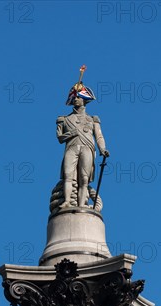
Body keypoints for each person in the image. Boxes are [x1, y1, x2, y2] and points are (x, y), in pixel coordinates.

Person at [57, 67, 110, 208]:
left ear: (85, 100)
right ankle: (67, 201)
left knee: (84, 179)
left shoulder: (93, 119)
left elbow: (99, 136)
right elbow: (60, 138)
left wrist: (103, 149)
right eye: (75, 97)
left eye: (79, 97)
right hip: (71, 148)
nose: (76, 100)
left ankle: (81, 204)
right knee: (68, 176)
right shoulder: (64, 119)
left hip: (87, 148)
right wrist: (72, 133)